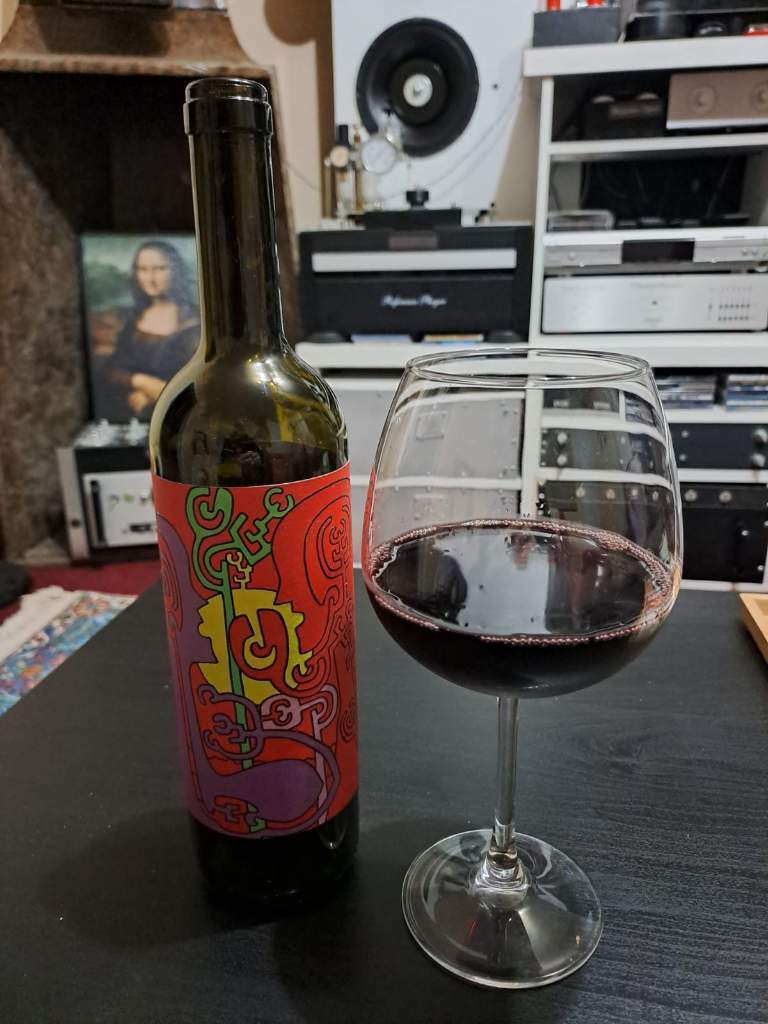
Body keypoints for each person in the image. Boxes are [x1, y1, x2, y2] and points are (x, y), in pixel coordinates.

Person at [103, 241, 200, 421]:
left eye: (159, 269)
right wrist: (139, 383)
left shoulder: (195, 322)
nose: (150, 279)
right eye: (143, 269)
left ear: (176, 271)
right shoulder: (132, 320)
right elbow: (113, 370)